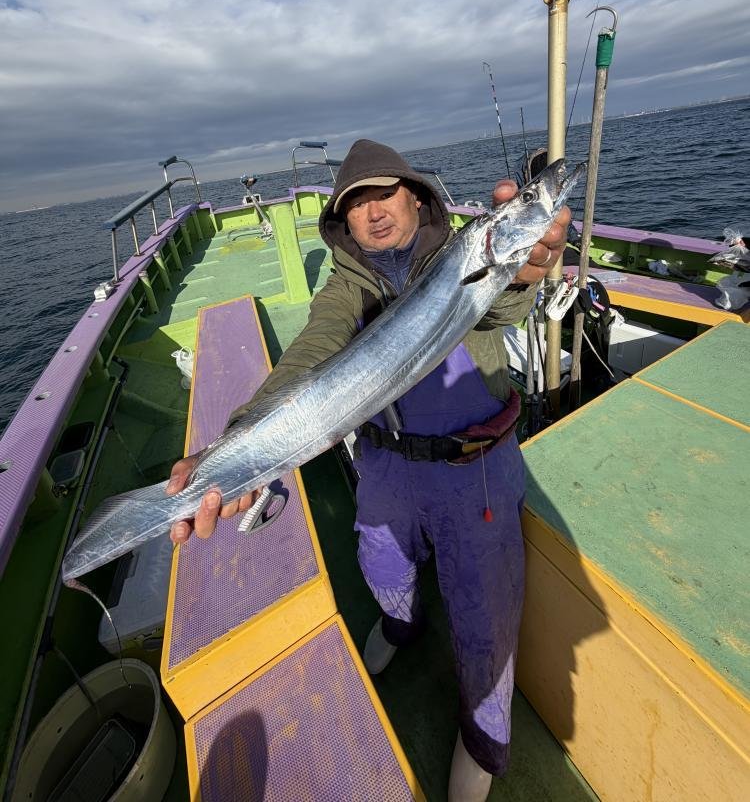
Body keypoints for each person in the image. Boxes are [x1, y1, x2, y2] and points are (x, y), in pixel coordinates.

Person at [167, 139, 570, 802]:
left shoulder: (465, 254)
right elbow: (310, 353)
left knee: (485, 615)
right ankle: (403, 625)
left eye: (385, 194)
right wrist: (241, 442)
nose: (374, 212)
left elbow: (503, 302)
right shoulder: (346, 287)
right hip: (387, 464)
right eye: (356, 204)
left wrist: (522, 274)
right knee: (383, 567)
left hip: (477, 468)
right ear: (343, 222)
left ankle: (483, 741)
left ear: (416, 197)